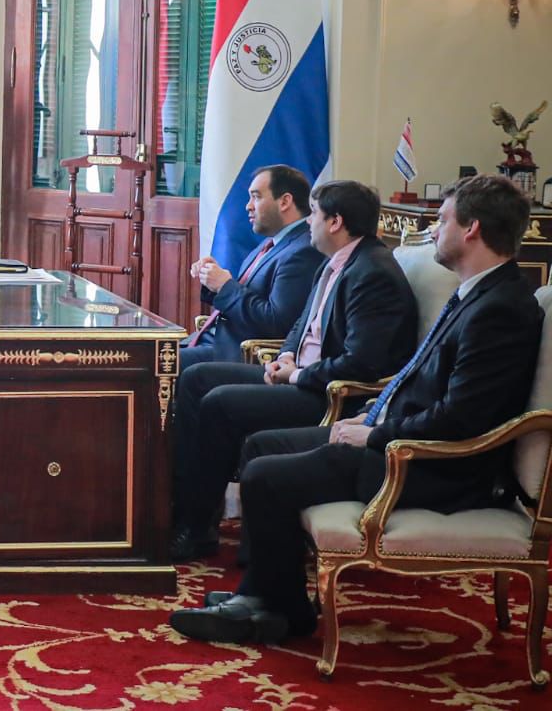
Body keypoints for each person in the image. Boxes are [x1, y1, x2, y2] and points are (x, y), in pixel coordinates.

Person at [170, 175, 543, 645]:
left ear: (471, 229)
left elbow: (461, 419)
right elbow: (415, 377)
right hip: (402, 440)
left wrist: (375, 434)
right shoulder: (481, 291)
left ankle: (271, 608)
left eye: (442, 219)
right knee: (265, 450)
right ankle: (271, 599)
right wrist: (370, 415)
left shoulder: (500, 307)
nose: (433, 229)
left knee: (266, 474)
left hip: (432, 466)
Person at [168, 180, 418, 561]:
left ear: (335, 221)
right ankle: (186, 515)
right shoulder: (336, 260)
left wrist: (297, 374)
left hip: (332, 395)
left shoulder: (373, 272)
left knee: (219, 403)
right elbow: (300, 328)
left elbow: (361, 363)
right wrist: (286, 357)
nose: (309, 223)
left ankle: (195, 525)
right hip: (302, 377)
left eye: (314, 214)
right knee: (197, 379)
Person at [182, 165, 323, 366]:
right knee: (145, 350)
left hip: (236, 354)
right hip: (214, 340)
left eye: (256, 197)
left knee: (152, 362)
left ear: (284, 201)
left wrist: (225, 286)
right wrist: (212, 280)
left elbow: (275, 322)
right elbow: (246, 296)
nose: (248, 206)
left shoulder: (303, 251)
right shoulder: (271, 243)